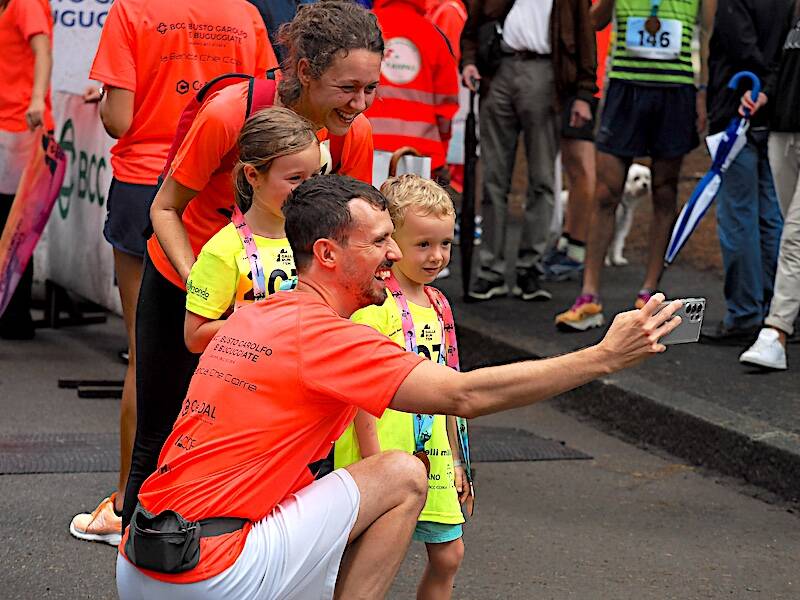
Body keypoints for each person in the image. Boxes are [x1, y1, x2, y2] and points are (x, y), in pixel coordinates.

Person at [115, 174, 682, 600]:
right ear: (327, 254)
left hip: (145, 556)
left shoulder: (256, 313)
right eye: (382, 240)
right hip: (209, 569)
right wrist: (602, 357)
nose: (395, 254)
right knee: (404, 473)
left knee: (316, 490)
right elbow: (465, 396)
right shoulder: (329, 336)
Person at [124, 0, 381, 528]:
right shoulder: (230, 113)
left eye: (369, 88)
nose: (359, 103)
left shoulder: (354, 134)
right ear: (305, 72)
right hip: (191, 277)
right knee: (165, 429)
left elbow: (348, 230)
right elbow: (165, 207)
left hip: (286, 304)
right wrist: (208, 279)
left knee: (288, 438)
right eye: (347, 88)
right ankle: (140, 551)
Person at [69, 0, 276, 546]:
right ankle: (214, 500)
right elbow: (265, 103)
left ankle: (127, 505)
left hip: (151, 181)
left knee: (150, 352)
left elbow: (118, 118)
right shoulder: (245, 13)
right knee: (235, 350)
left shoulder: (132, 10)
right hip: (228, 185)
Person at [334, 174, 467, 599]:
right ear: (392, 243)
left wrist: (461, 461)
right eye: (423, 244)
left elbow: (450, 387)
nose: (436, 256)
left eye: (445, 244)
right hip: (378, 452)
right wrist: (375, 465)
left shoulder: (439, 304)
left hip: (435, 454)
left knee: (449, 556)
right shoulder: (374, 305)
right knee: (367, 562)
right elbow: (358, 394)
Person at [555, 0, 714, 331]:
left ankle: (649, 292)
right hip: (625, 89)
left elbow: (708, 32)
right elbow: (593, 23)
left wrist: (703, 93)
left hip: (675, 90)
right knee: (605, 192)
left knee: (664, 189)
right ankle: (589, 296)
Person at [461, 0, 597, 302]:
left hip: (545, 71)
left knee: (543, 179)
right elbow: (472, 25)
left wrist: (585, 93)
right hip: (500, 69)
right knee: (493, 179)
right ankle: (491, 271)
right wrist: (469, 61)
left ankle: (528, 269)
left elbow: (585, 36)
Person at [184, 109, 320, 353]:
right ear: (253, 175)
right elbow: (194, 338)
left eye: (315, 176)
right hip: (245, 379)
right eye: (295, 178)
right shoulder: (223, 250)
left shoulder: (318, 238)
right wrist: (264, 319)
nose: (308, 189)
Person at [699, 0, 795, 345]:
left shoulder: (734, 3)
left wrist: (762, 87)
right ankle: (775, 308)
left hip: (737, 114)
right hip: (774, 115)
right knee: (771, 217)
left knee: (739, 215)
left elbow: (744, 51)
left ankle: (745, 312)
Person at [740, 4, 800, 370]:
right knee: (790, 230)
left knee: (794, 236)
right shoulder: (793, 11)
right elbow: (782, 65)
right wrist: (766, 96)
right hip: (784, 129)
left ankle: (775, 332)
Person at [544, 0, 612, 282]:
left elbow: (591, 22)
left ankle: (577, 247)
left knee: (582, 166)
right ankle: (569, 239)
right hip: (574, 75)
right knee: (574, 166)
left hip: (586, 79)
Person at [0, 0, 52, 340]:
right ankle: (11, 312)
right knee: (8, 218)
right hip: (9, 123)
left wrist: (35, 99)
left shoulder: (26, 2)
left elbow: (43, 50)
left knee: (14, 219)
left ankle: (15, 315)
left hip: (21, 123)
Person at [366, 0, 460, 184]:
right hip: (420, 155)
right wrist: (441, 150)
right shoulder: (434, 36)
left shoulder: (363, 27)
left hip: (365, 146)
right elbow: (446, 106)